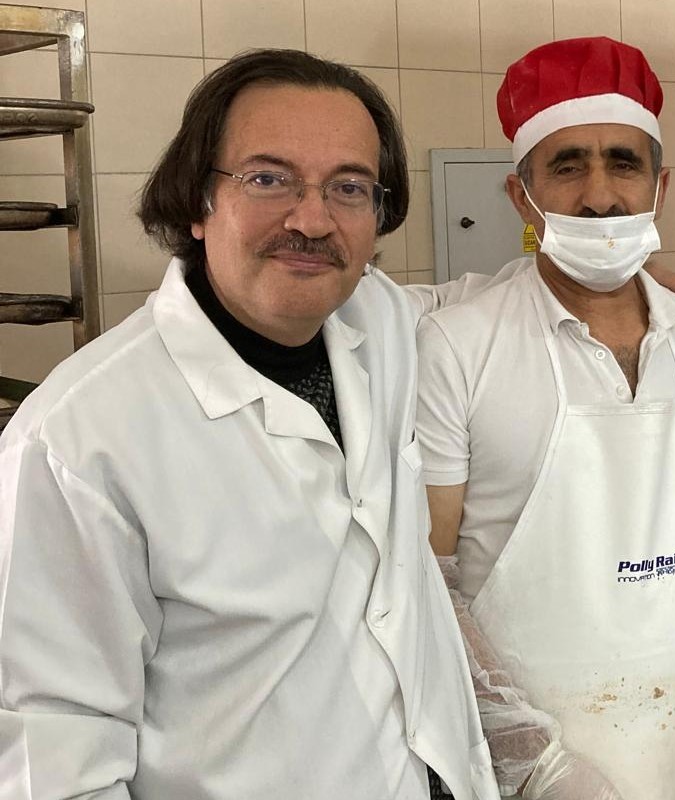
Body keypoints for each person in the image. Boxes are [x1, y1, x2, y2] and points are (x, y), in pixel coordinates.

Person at [0, 49, 500, 800]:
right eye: (269, 179)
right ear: (197, 202)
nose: (312, 220)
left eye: (349, 187)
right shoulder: (78, 442)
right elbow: (53, 758)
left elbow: (473, 299)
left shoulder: (378, 321)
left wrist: (625, 278)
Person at [416, 37, 675, 800]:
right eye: (567, 166)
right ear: (521, 197)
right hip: (520, 779)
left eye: (622, 163)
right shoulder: (458, 346)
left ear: (659, 186)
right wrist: (537, 764)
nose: (600, 196)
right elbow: (424, 575)